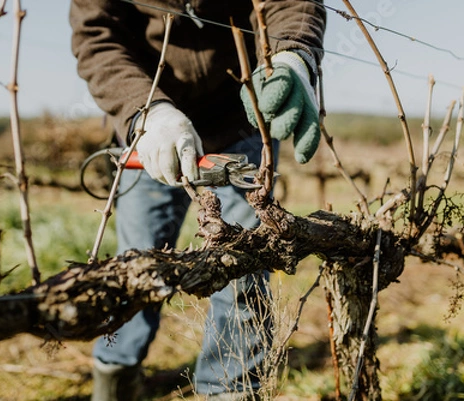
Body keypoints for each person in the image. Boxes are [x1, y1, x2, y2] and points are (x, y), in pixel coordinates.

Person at [69, 1, 325, 400]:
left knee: (244, 267)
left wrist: (294, 52)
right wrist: (146, 110)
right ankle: (114, 374)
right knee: (135, 267)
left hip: (241, 118)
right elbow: (97, 34)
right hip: (149, 129)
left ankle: (231, 391)